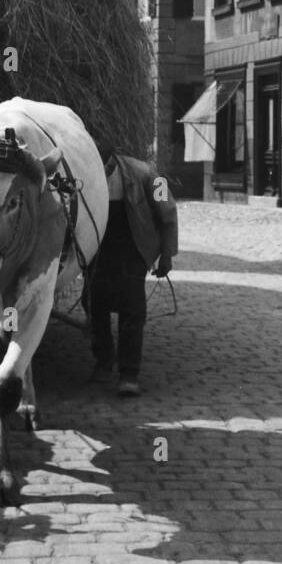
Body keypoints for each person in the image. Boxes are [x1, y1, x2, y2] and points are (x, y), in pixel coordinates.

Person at [86, 142, 178, 397]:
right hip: (96, 250)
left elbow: (168, 212)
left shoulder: (146, 174)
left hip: (133, 249)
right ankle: (103, 362)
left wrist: (166, 255)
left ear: (111, 153)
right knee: (95, 307)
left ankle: (129, 373)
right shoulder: (81, 173)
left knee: (132, 311)